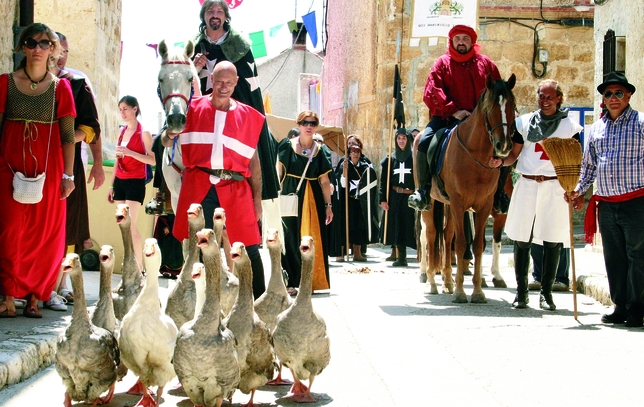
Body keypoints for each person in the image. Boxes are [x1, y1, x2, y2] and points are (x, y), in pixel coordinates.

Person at [162, 61, 267, 299]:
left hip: (235, 186)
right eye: (219, 81)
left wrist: (257, 200)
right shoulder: (190, 108)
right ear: (211, 79)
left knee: (249, 246)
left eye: (229, 83)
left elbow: (254, 163)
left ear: (236, 83)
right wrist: (169, 133)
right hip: (199, 185)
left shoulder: (248, 117)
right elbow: (166, 142)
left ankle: (260, 303)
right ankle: (198, 304)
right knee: (197, 247)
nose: (223, 87)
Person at [0, 23, 76, 318]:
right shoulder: (5, 83)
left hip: (49, 169)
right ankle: (8, 293)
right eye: (31, 43)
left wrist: (68, 176)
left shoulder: (61, 88)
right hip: (8, 166)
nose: (37, 49)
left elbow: (68, 136)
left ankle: (34, 296)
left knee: (44, 235)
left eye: (44, 43)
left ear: (53, 50)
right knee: (9, 230)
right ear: (22, 47)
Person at [491, 79, 582, 311]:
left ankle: (547, 294)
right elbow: (514, 154)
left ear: (559, 98)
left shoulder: (570, 127)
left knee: (552, 241)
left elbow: (576, 161)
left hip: (555, 187)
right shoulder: (524, 123)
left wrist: (576, 187)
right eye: (541, 96)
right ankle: (521, 294)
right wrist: (502, 161)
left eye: (550, 97)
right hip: (528, 184)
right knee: (522, 240)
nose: (545, 101)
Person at [567, 72, 644, 327]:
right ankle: (620, 306)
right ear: (603, 98)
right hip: (607, 204)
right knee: (614, 257)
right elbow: (588, 166)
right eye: (608, 94)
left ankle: (637, 309)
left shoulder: (641, 123)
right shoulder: (597, 128)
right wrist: (578, 190)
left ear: (629, 95)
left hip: (637, 201)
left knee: (638, 256)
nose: (613, 98)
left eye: (619, 93)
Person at [193, 0, 279, 203]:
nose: (215, 15)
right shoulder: (194, 46)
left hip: (234, 114)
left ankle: (253, 199)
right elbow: (183, 84)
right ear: (204, 16)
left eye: (219, 11)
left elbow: (249, 88)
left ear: (225, 16)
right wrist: (194, 68)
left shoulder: (239, 47)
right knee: (166, 139)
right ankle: (165, 194)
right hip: (203, 113)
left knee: (252, 150)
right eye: (210, 11)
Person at [409, 24, 501, 211]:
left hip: (480, 122)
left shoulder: (486, 64)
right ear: (451, 41)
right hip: (447, 117)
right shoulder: (442, 63)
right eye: (457, 39)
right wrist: (453, 110)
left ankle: (500, 194)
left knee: (504, 143)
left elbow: (498, 90)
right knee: (425, 142)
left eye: (465, 39)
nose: (461, 42)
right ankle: (423, 191)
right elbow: (433, 91)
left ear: (472, 42)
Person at [47, 32, 104, 310]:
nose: (61, 56)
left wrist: (67, 139)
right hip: (34, 161)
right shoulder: (27, 82)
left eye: (65, 51)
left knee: (68, 225)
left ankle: (60, 284)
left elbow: (92, 127)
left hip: (68, 164)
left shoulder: (77, 82)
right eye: (58, 49)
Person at [278, 111, 334, 296]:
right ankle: (290, 281)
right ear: (298, 124)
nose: (308, 126)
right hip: (290, 196)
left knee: (311, 238)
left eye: (312, 123)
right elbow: (279, 175)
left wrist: (328, 205)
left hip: (313, 198)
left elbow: (325, 182)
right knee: (290, 238)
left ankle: (311, 281)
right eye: (304, 123)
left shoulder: (321, 151)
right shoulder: (286, 147)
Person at [107, 95, 156, 270]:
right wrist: (111, 185)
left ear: (135, 109)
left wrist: (130, 153)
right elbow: (117, 161)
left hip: (135, 181)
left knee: (131, 224)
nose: (122, 113)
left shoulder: (144, 132)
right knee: (123, 225)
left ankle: (139, 267)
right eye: (120, 109)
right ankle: (131, 263)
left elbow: (153, 160)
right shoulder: (122, 131)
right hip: (120, 181)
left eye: (125, 109)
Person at [334, 135, 378, 262]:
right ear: (349, 152)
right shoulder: (344, 164)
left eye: (357, 152)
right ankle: (341, 253)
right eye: (353, 151)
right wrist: (344, 172)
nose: (355, 154)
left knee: (359, 226)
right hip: (346, 200)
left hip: (360, 200)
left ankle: (357, 252)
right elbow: (341, 184)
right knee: (345, 224)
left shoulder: (365, 166)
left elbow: (370, 182)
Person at [379, 128, 417, 267]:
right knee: (398, 226)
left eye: (404, 138)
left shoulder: (414, 158)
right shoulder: (391, 160)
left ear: (408, 140)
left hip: (410, 197)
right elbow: (384, 181)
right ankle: (401, 257)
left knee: (410, 226)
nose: (401, 141)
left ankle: (422, 256)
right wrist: (383, 199)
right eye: (399, 138)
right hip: (395, 196)